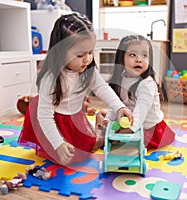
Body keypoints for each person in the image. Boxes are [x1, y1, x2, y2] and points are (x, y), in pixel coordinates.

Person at [17, 13, 133, 166]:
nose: (87, 59)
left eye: (90, 52)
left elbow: (101, 88)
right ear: (60, 52)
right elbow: (45, 117)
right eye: (80, 55)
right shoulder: (51, 78)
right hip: (52, 120)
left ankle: (101, 126)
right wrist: (58, 144)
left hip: (74, 116)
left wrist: (119, 107)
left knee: (87, 148)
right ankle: (99, 128)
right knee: (65, 158)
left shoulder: (87, 69)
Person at [96, 35, 175, 149]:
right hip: (129, 119)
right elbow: (117, 105)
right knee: (102, 114)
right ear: (121, 58)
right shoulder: (121, 78)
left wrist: (125, 132)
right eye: (133, 55)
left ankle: (103, 139)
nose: (139, 59)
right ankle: (101, 136)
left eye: (144, 55)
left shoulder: (146, 84)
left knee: (114, 139)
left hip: (147, 129)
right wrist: (109, 119)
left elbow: (140, 112)